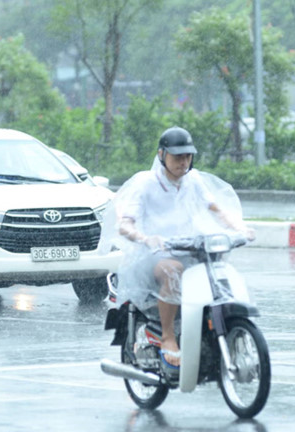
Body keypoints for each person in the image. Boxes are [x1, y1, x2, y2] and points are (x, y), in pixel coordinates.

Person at [100, 126, 254, 373]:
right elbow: (125, 224)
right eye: (177, 156)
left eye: (187, 156)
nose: (183, 162)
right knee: (173, 269)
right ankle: (168, 336)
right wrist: (146, 238)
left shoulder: (193, 180)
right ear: (162, 155)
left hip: (188, 249)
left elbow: (215, 209)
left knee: (216, 271)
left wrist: (240, 228)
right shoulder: (146, 183)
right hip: (152, 255)